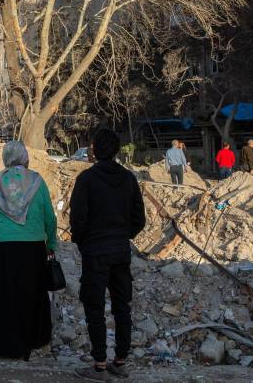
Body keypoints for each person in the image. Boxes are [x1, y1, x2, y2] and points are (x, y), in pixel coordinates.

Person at [70, 129, 146, 381]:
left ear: (93, 149)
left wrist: (84, 242)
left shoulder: (86, 180)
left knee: (95, 307)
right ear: (116, 151)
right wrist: (123, 235)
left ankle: (100, 364)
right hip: (120, 250)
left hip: (95, 251)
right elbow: (139, 219)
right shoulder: (128, 179)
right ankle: (120, 360)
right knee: (121, 305)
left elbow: (77, 219)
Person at [0, 141, 57, 360]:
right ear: (25, 157)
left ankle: (2, 346)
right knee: (33, 294)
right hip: (33, 247)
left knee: (5, 296)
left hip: (5, 248)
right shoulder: (37, 182)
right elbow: (50, 216)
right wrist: (51, 244)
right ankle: (36, 341)